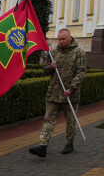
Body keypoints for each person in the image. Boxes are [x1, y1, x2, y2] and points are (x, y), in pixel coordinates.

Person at [29, 28, 87, 157]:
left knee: (70, 122)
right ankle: (42, 146)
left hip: (70, 95)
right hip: (54, 93)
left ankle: (69, 143)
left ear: (70, 38)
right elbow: (45, 70)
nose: (60, 42)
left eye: (63, 39)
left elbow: (81, 73)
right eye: (59, 39)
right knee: (48, 119)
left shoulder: (79, 53)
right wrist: (51, 66)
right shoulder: (53, 52)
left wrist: (71, 89)